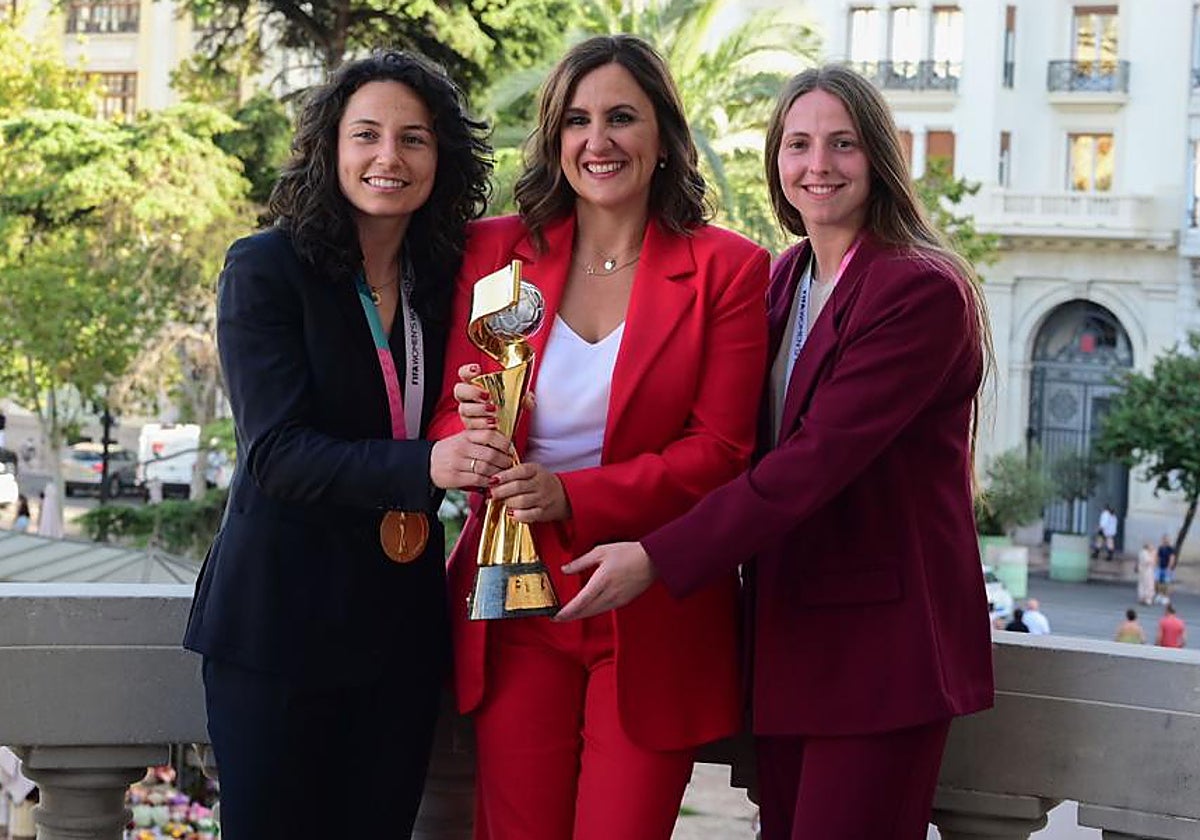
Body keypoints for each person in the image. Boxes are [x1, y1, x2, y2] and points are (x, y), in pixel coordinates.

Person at [555, 64, 994, 839]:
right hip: (788, 643)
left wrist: (657, 556)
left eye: (842, 144)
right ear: (776, 160)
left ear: (879, 157)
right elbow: (725, 437)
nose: (818, 165)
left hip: (878, 657)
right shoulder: (786, 277)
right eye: (798, 144)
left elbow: (810, 465)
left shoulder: (919, 289)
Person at [429, 35, 769, 840]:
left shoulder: (729, 269)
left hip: (652, 601)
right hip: (512, 593)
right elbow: (446, 409)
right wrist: (468, 438)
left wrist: (570, 495)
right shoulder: (495, 251)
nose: (597, 140)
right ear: (555, 138)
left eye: (622, 117)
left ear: (664, 138)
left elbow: (721, 452)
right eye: (577, 121)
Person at [181, 51, 506, 840]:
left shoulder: (447, 280)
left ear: (443, 156)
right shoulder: (266, 267)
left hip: (399, 630)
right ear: (330, 148)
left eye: (413, 138)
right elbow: (277, 454)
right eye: (366, 134)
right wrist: (425, 465)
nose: (388, 156)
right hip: (279, 628)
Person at [1155, 534, 1177, 604]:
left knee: (1166, 583)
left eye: (1166, 539)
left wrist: (1169, 568)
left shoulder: (1171, 549)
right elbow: (1158, 557)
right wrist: (1157, 565)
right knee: (1159, 582)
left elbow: (1172, 558)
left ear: (1169, 540)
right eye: (1164, 539)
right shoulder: (1160, 548)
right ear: (1162, 540)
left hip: (1167, 568)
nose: (1165, 540)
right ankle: (1160, 595)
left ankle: (1166, 597)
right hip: (1160, 568)